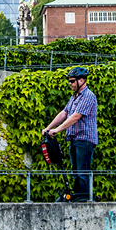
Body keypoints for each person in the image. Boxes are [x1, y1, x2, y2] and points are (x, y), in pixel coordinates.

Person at [43, 67, 98, 196]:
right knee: (75, 172)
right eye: (69, 81)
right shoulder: (74, 97)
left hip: (84, 139)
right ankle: (78, 198)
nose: (70, 84)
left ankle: (84, 201)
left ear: (82, 80)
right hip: (74, 139)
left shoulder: (88, 96)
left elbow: (76, 116)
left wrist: (57, 130)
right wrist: (49, 128)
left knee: (82, 173)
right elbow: (64, 113)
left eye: (73, 81)